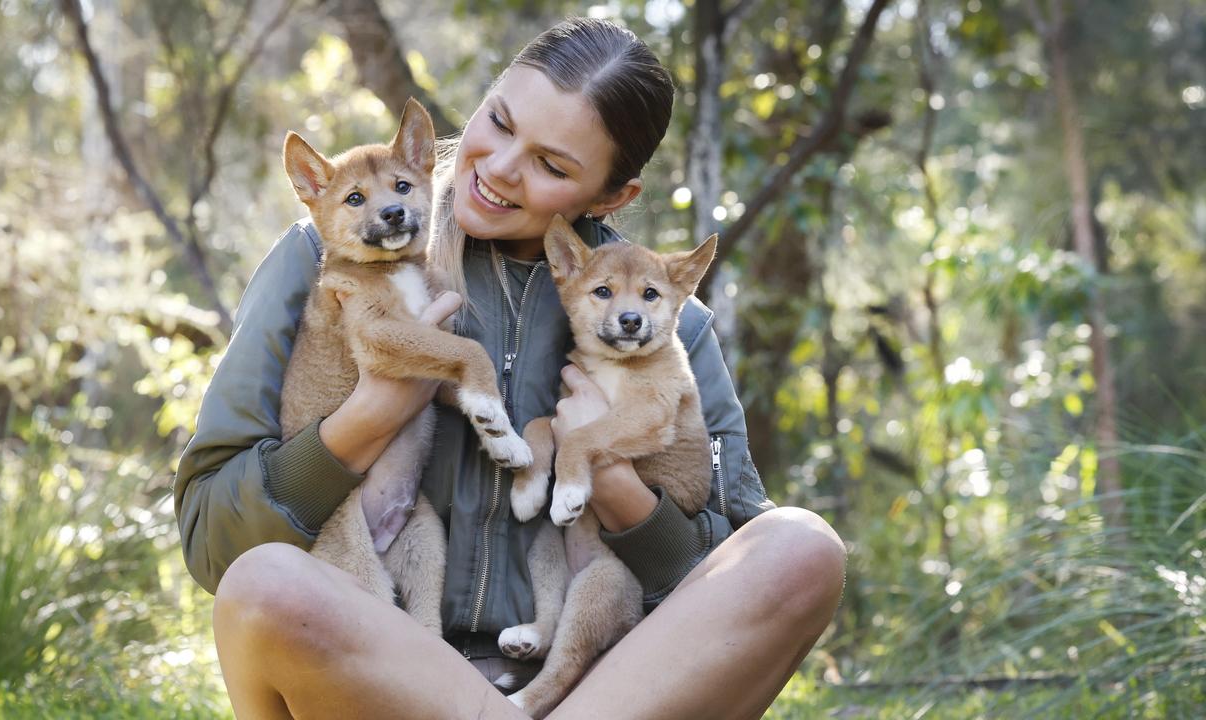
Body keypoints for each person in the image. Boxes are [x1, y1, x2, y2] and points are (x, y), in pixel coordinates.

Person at [174, 17, 845, 720]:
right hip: (377, 675)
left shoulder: (664, 319)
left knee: (800, 550)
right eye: (497, 121)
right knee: (265, 586)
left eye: (551, 166)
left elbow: (720, 586)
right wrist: (367, 418)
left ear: (612, 198)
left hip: (595, 690)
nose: (496, 167)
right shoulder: (326, 256)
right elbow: (212, 541)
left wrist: (615, 483)